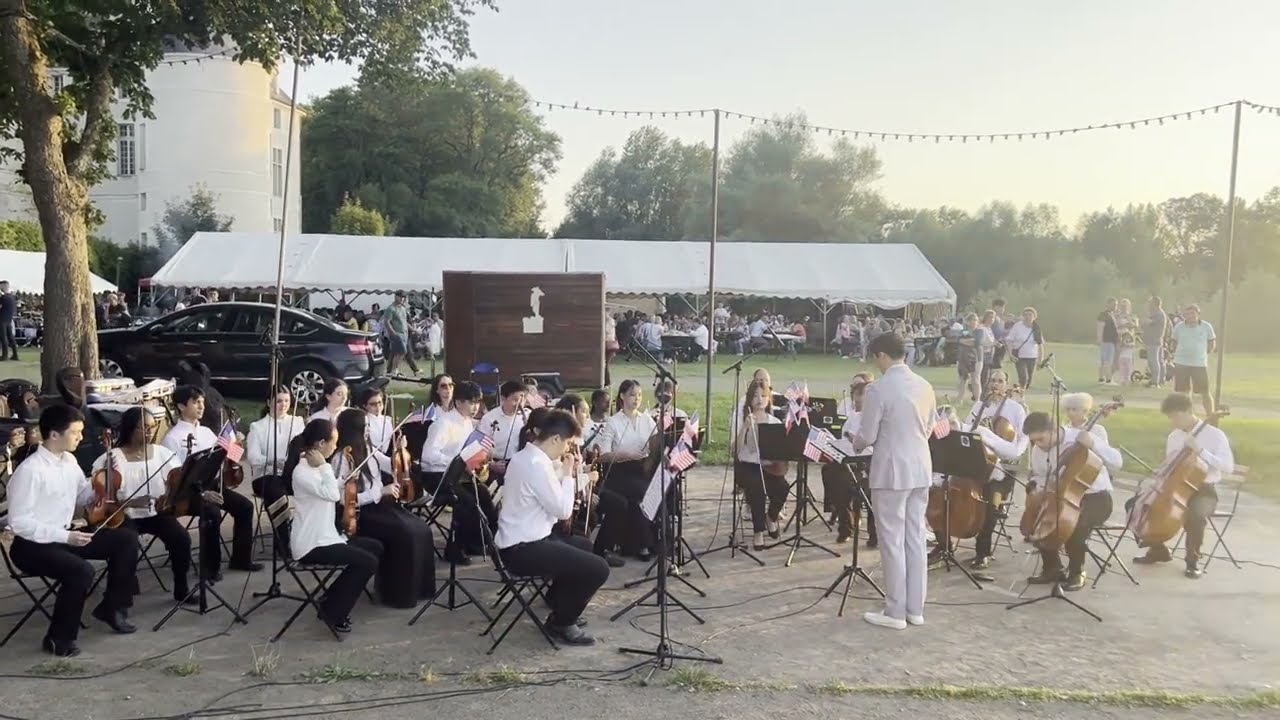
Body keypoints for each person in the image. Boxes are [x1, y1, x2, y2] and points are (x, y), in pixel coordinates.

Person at [7, 405, 140, 656]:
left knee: (126, 540)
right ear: (54, 435)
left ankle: (112, 606)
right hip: (31, 546)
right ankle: (59, 640)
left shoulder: (69, 461)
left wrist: (105, 479)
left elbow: (83, 495)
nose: (80, 437)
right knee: (80, 571)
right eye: (75, 432)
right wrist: (67, 536)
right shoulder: (30, 471)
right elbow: (19, 523)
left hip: (65, 537)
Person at [496, 409, 610, 645]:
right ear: (555, 439)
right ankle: (561, 622)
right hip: (522, 549)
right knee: (599, 568)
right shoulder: (535, 464)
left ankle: (560, 604)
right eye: (567, 443)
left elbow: (549, 487)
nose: (567, 449)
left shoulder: (527, 457)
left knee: (584, 546)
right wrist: (569, 473)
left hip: (530, 538)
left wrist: (567, 471)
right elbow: (563, 510)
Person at [850, 332, 935, 630]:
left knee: (892, 540)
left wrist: (855, 443)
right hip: (920, 466)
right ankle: (915, 608)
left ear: (882, 356)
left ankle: (895, 611)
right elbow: (929, 426)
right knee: (915, 537)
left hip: (891, 470)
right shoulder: (925, 385)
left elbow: (868, 435)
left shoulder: (878, 389)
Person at [285, 418, 383, 632]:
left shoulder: (315, 469)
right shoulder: (302, 472)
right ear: (321, 444)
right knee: (367, 562)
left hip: (326, 535)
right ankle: (333, 611)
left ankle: (331, 599)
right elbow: (329, 494)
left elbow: (328, 489)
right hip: (311, 544)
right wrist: (325, 468)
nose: (336, 447)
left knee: (375, 547)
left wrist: (345, 479)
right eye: (333, 442)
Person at [332, 409, 435, 607]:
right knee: (405, 533)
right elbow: (345, 500)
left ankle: (419, 589)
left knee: (421, 528)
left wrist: (399, 451)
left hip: (380, 507)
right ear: (355, 429)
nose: (369, 430)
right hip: (361, 514)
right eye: (366, 427)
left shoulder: (367, 448)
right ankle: (396, 594)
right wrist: (381, 491)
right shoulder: (342, 458)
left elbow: (390, 465)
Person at [161, 385, 262, 581]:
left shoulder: (207, 431)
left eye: (202, 402)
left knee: (245, 507)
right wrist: (200, 493)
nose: (201, 406)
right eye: (196, 402)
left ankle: (241, 559)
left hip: (211, 484)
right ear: (181, 406)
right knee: (211, 512)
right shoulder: (172, 438)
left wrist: (236, 447)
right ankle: (210, 568)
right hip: (187, 493)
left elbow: (229, 456)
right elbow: (174, 477)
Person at [94, 407, 193, 604]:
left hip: (155, 512)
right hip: (125, 515)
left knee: (181, 538)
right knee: (126, 542)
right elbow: (104, 500)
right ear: (130, 428)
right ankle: (120, 598)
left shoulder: (162, 454)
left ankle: (182, 588)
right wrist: (132, 501)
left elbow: (178, 480)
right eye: (143, 428)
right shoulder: (112, 458)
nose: (149, 432)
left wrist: (167, 496)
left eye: (151, 428)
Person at [1023, 395, 1121, 590]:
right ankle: (1052, 569)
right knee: (1040, 519)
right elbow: (1041, 476)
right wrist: (1037, 488)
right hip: (1060, 496)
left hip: (1096, 498)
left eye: (1041, 439)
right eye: (1034, 442)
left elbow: (1117, 462)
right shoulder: (1037, 450)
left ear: (1053, 430)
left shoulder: (1084, 435)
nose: (1039, 445)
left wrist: (1093, 443)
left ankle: (1078, 572)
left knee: (1074, 524)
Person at [1131, 392, 1234, 579]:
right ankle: (1157, 549)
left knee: (1195, 515)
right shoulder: (1174, 436)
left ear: (1188, 411)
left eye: (1175, 416)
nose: (1173, 421)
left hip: (1204, 490)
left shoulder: (1215, 435)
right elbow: (1172, 465)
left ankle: (1192, 561)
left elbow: (1228, 466)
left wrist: (1200, 451)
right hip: (1174, 487)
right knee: (1136, 505)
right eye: (1170, 417)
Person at [953, 370, 1028, 576]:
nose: (996, 384)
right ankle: (945, 542)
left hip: (1003, 471)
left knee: (991, 507)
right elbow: (967, 428)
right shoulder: (980, 405)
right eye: (993, 380)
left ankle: (982, 552)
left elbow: (1022, 440)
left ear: (1007, 385)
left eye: (1000, 381)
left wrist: (1009, 452)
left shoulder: (1016, 409)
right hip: (978, 465)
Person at [419, 380, 496, 562]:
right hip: (436, 476)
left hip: (457, 475)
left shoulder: (467, 423)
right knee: (466, 502)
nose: (475, 407)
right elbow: (428, 456)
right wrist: (458, 462)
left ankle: (477, 542)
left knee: (483, 495)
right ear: (459, 402)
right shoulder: (442, 424)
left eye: (477, 402)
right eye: (471, 402)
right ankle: (454, 548)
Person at [554, 393, 626, 567]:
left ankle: (602, 550)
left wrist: (588, 466)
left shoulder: (577, 437)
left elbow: (576, 469)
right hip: (571, 494)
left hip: (582, 487)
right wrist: (587, 480)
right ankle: (580, 557)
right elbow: (563, 475)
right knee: (590, 514)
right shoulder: (560, 439)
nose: (587, 416)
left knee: (619, 503)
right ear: (571, 413)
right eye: (584, 411)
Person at [594, 379, 658, 560]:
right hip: (619, 471)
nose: (636, 399)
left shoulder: (647, 419)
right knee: (642, 495)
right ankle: (645, 544)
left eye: (639, 395)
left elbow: (655, 445)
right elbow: (603, 455)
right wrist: (626, 454)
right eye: (632, 395)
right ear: (622, 396)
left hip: (642, 469)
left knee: (652, 492)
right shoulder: (613, 422)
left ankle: (643, 544)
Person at [732, 379, 788, 550]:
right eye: (755, 396)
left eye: (763, 396)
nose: (759, 399)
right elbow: (735, 449)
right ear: (749, 399)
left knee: (783, 487)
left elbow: (780, 450)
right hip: (747, 466)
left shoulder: (774, 422)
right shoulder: (742, 418)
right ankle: (758, 532)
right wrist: (745, 428)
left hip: (767, 466)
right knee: (757, 488)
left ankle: (770, 517)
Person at [824, 373, 876, 546]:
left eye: (862, 395)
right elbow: (843, 438)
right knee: (831, 473)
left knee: (865, 484)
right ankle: (846, 525)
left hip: (870, 464)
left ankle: (874, 533)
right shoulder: (852, 417)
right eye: (856, 395)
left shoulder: (875, 418)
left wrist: (856, 440)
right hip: (849, 462)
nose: (858, 399)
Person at [246, 385, 304, 505]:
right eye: (279, 401)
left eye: (287, 401)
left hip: (292, 475)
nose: (284, 405)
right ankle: (283, 523)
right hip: (265, 476)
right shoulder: (257, 427)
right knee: (274, 487)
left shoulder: (298, 422)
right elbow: (253, 457)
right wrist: (273, 461)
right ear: (268, 402)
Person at [1170, 304, 1216, 417]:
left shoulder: (1206, 326)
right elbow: (1173, 341)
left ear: (1198, 314)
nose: (1190, 316)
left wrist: (1206, 352)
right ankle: (1188, 415)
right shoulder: (1179, 327)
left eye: (1192, 313)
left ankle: (1211, 415)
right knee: (1183, 392)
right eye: (1187, 314)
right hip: (1182, 362)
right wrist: (1173, 352)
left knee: (1204, 392)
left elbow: (1211, 342)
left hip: (1199, 363)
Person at [479, 381, 528, 484]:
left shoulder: (527, 416)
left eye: (523, 399)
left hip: (520, 465)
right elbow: (480, 447)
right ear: (503, 398)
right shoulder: (489, 418)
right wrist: (492, 465)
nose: (520, 404)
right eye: (515, 399)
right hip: (498, 464)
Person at [381, 291, 420, 376]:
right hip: (397, 333)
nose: (402, 299)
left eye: (403, 297)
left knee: (396, 352)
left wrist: (413, 329)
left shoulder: (402, 308)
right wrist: (393, 333)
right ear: (395, 297)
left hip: (405, 334)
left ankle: (391, 371)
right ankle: (394, 370)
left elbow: (405, 322)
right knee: (402, 351)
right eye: (400, 297)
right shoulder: (391, 308)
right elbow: (387, 322)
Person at [1004, 307, 1044, 389]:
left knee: (1029, 379)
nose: (1027, 317)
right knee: (1023, 378)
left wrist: (1040, 360)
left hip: (1032, 356)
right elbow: (1009, 340)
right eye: (1025, 315)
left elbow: (1040, 345)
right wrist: (1010, 354)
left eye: (1030, 315)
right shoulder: (1017, 326)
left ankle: (1022, 392)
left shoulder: (1036, 328)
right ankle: (1021, 395)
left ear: (1034, 317)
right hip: (1019, 356)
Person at [1144, 296, 1169, 388]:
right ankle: (1161, 380)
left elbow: (1148, 322)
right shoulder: (1157, 313)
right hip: (1156, 340)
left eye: (1150, 303)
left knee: (1153, 361)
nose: (1148, 305)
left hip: (1154, 341)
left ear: (1155, 304)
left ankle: (1155, 381)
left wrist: (1145, 321)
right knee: (1159, 360)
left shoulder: (1158, 314)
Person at [1097, 297, 1119, 384]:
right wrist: (1099, 339)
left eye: (1116, 305)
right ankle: (1109, 379)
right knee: (1107, 361)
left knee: (1104, 361)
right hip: (1107, 341)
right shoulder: (1103, 315)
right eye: (1114, 304)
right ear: (1108, 304)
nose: (1115, 306)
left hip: (1110, 341)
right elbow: (1100, 327)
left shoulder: (1112, 315)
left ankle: (1101, 378)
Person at [0, 279, 18, 361]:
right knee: (11, 337)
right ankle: (15, 355)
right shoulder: (11, 297)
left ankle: (5, 355)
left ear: (3, 286)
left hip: (2, 319)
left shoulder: (4, 297)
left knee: (3, 338)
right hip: (9, 320)